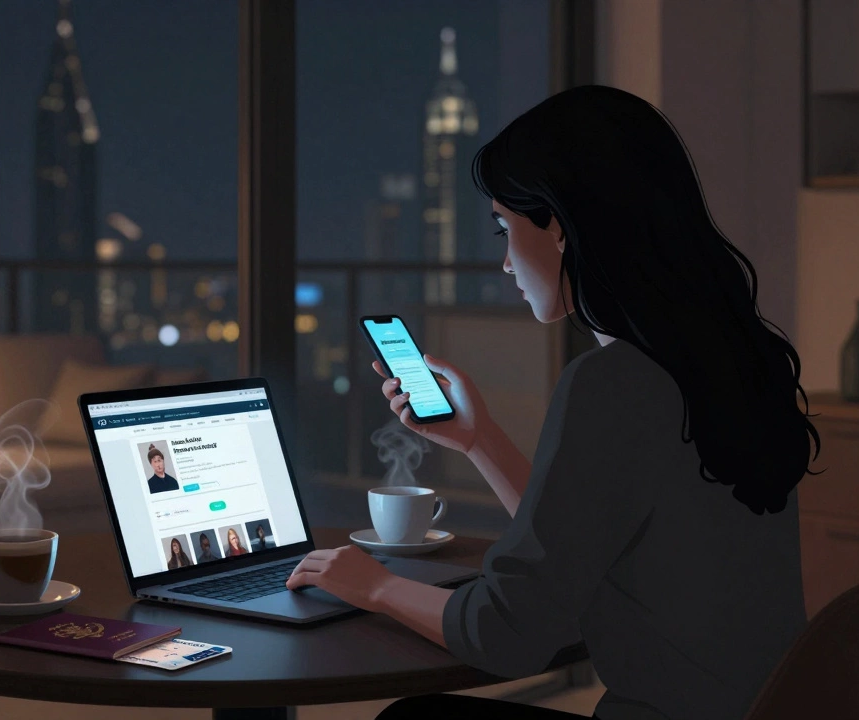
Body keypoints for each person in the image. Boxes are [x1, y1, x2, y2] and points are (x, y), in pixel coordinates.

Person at [284, 86, 818, 720]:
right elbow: (581, 547)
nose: (506, 262)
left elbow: (506, 633)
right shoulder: (730, 358)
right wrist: (477, 439)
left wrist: (371, 584)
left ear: (560, 227)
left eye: (506, 228)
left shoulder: (613, 382)